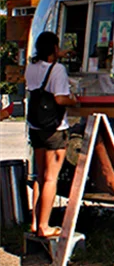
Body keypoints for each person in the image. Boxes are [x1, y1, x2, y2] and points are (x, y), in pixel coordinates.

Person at [25, 31, 77, 238]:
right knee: (51, 178)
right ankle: (45, 227)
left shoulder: (32, 66)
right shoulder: (58, 70)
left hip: (36, 126)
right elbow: (60, 99)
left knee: (40, 175)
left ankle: (35, 222)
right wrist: (75, 100)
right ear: (54, 48)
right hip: (54, 129)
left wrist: (58, 54)